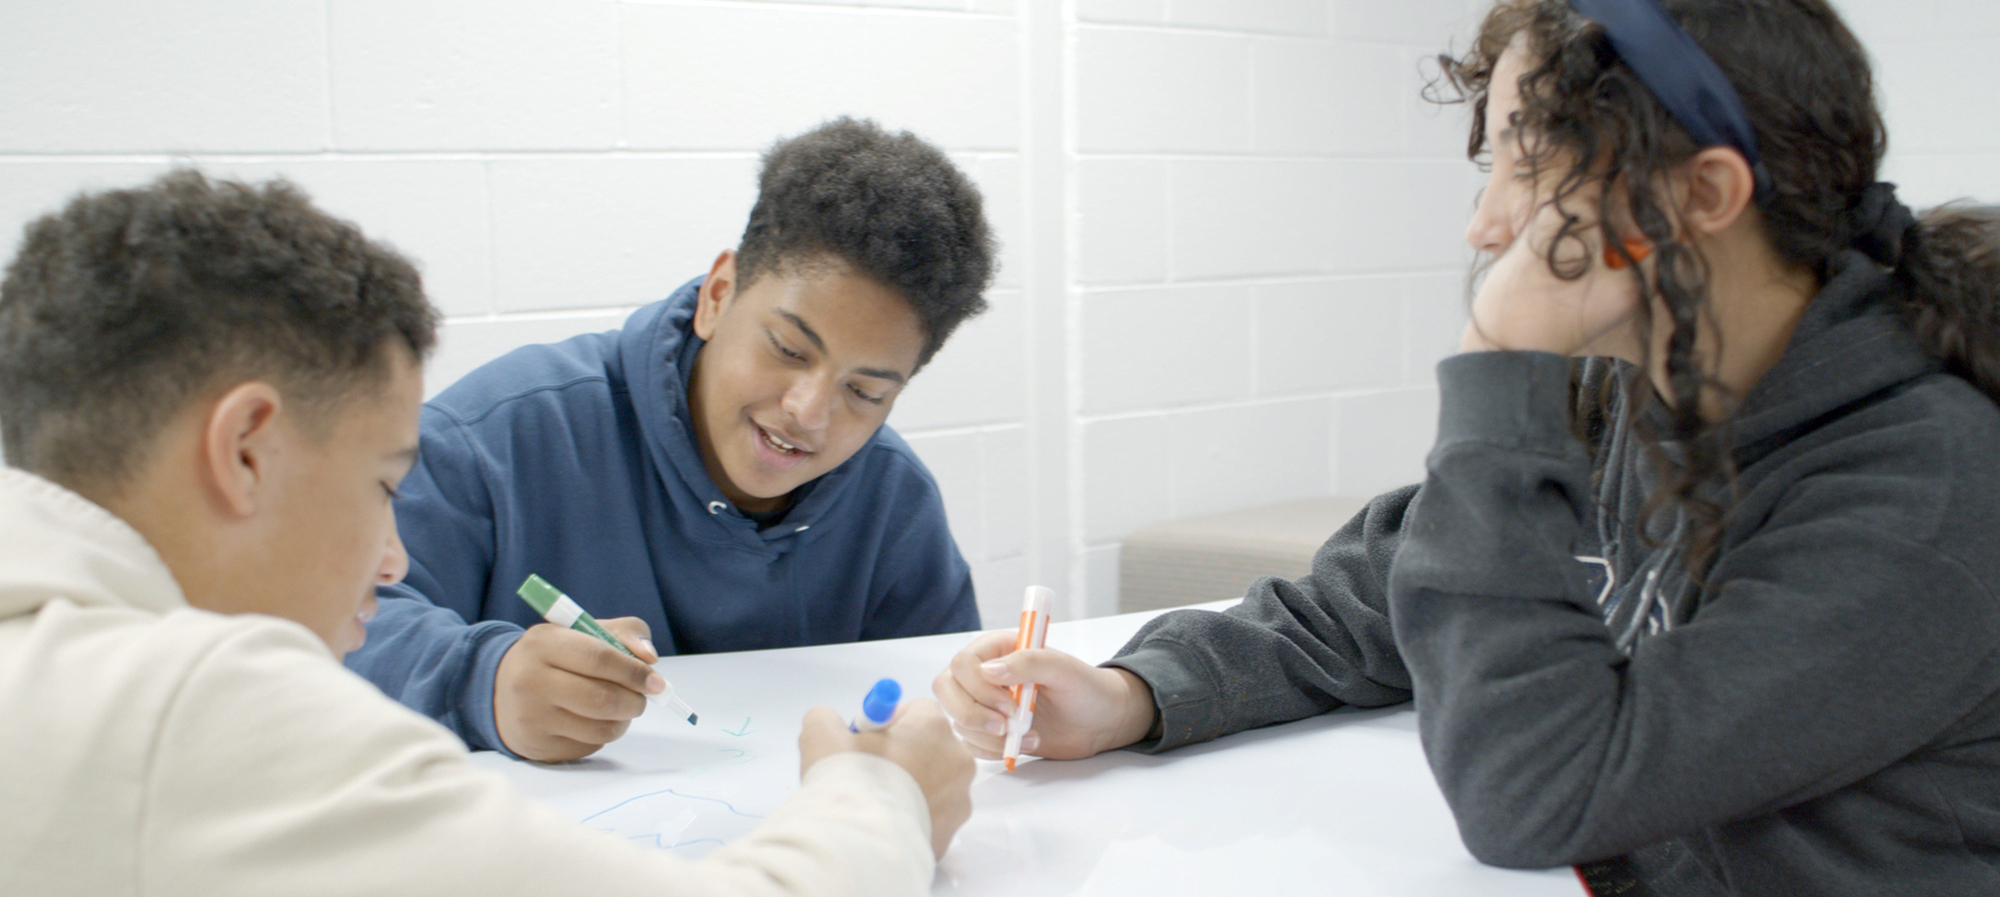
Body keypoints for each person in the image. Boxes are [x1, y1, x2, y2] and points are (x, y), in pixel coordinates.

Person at [936, 1, 2000, 893]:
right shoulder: (1632, 388)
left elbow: (1539, 795)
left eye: (1528, 169)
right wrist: (1136, 695)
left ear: (1706, 196)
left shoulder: (1924, 489)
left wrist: (1498, 365)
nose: (1485, 224)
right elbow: (1380, 595)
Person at [0, 170, 973, 897]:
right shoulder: (187, 706)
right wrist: (879, 801)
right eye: (385, 483)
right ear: (246, 448)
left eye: (863, 390)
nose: (392, 557)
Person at [344, 116, 996, 763]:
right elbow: (320, 629)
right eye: (788, 348)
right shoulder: (498, 437)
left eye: (865, 392)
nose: (809, 412)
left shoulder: (892, 497)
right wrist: (480, 680)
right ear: (717, 294)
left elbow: (940, 704)